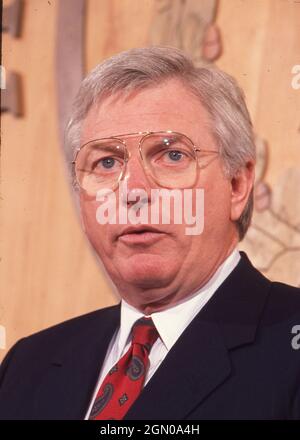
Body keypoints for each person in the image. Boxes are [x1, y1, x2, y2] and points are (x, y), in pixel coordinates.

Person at [0, 46, 299, 420]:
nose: (133, 189)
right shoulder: (26, 367)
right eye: (106, 162)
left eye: (172, 155)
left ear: (237, 185)